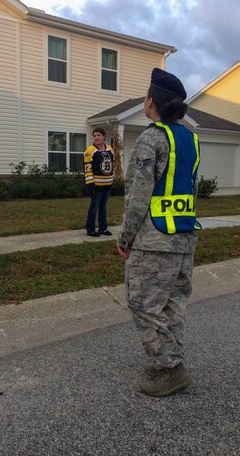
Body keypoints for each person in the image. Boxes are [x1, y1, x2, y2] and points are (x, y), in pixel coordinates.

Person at [117, 67, 202, 397]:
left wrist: (125, 238)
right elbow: (192, 191)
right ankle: (170, 359)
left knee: (142, 303)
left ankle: (168, 369)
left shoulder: (151, 138)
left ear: (151, 101)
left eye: (145, 93)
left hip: (153, 240)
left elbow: (139, 197)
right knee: (172, 304)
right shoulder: (190, 138)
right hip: (183, 236)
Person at [84, 128, 114, 237]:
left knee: (103, 207)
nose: (97, 137)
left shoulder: (110, 149)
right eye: (95, 135)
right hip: (96, 186)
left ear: (104, 136)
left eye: (99, 135)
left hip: (107, 185)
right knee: (94, 207)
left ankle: (103, 228)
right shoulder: (90, 151)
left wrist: (111, 179)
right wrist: (90, 184)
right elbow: (87, 168)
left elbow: (112, 166)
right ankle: (90, 229)